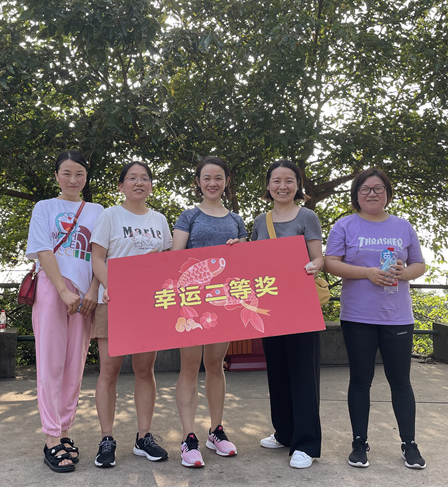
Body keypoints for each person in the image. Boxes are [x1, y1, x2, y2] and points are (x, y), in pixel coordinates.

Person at [324, 168, 427, 470]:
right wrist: (367, 273)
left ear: (387, 193)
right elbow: (330, 263)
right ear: (356, 195)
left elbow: (419, 264)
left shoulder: (403, 226)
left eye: (378, 188)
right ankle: (359, 443)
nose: (372, 193)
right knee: (360, 380)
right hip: (357, 317)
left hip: (397, 317)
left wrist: (403, 273)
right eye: (365, 189)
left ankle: (409, 444)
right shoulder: (345, 225)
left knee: (401, 382)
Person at [25, 150, 104, 473]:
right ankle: (51, 437)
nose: (73, 180)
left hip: (85, 295)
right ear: (56, 175)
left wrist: (92, 291)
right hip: (52, 289)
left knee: (75, 365)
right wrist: (62, 290)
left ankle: (65, 431)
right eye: (67, 173)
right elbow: (43, 250)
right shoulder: (44, 207)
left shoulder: (98, 211)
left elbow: (102, 255)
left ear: (86, 177)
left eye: (79, 174)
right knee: (50, 363)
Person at [90, 161, 172, 468]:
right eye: (132, 178)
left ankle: (144, 437)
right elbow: (97, 258)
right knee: (109, 370)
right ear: (121, 185)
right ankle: (106, 438)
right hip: (112, 302)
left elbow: (168, 258)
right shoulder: (110, 215)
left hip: (148, 304)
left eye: (145, 178)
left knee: (144, 370)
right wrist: (113, 287)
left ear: (150, 185)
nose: (139, 182)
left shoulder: (159, 219)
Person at [171, 156, 247, 468]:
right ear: (198, 182)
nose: (212, 183)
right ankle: (188, 437)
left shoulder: (237, 220)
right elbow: (175, 258)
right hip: (191, 303)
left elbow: (244, 265)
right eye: (206, 178)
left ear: (226, 181)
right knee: (189, 367)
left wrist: (239, 249)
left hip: (222, 303)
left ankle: (216, 431)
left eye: (218, 177)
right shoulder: (188, 216)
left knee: (216, 365)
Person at [250, 159, 325, 469]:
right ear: (268, 186)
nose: (282, 186)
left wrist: (314, 265)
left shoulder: (307, 216)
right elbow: (253, 259)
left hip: (301, 304)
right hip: (271, 306)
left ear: (298, 185)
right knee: (277, 370)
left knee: (303, 373)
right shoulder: (260, 220)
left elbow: (318, 257)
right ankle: (284, 432)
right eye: (276, 181)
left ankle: (306, 444)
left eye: (289, 180)